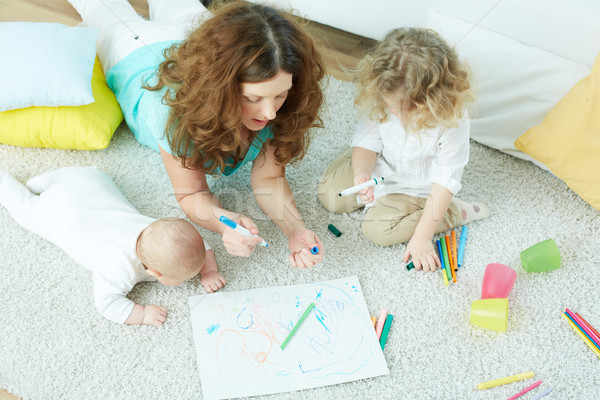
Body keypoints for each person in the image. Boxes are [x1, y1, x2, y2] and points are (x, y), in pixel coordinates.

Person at [67, 0, 325, 268]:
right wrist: (222, 223)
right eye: (253, 98)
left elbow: (270, 177)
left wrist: (295, 228)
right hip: (136, 52)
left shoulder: (279, 104)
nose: (270, 113)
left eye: (280, 95)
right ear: (220, 91)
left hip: (196, 42)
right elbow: (191, 194)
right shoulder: (171, 114)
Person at [318, 27, 489, 272]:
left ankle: (454, 212)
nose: (395, 113)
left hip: (417, 187)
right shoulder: (386, 94)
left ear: (434, 100)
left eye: (405, 109)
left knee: (377, 230)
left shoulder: (452, 120)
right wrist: (361, 175)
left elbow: (445, 180)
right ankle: (365, 182)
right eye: (391, 107)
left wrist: (421, 237)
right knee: (330, 195)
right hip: (380, 163)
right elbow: (367, 143)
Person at [0, 167, 224, 326]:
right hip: (60, 215)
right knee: (25, 210)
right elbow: (106, 303)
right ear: (153, 273)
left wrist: (209, 270)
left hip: (83, 184)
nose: (187, 280)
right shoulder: (119, 270)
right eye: (181, 279)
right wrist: (142, 314)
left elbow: (197, 245)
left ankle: (46, 180)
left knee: (96, 177)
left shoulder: (157, 230)